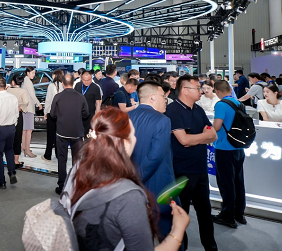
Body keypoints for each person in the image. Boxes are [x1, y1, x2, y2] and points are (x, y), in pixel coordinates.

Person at [64, 107, 190, 251]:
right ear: (124, 143)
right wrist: (178, 230)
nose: (135, 139)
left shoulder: (78, 171)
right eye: (133, 135)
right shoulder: (128, 196)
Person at [165, 75, 218, 251]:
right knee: (181, 215)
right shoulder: (173, 110)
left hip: (200, 169)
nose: (201, 91)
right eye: (197, 88)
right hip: (181, 171)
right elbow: (184, 140)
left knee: (205, 213)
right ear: (185, 90)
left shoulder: (198, 109)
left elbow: (213, 135)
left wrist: (194, 138)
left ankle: (211, 247)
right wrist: (202, 137)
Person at [128, 81, 176, 240]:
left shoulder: (126, 117)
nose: (166, 100)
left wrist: (133, 180)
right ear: (152, 98)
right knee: (169, 235)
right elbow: (155, 156)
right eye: (163, 96)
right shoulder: (162, 120)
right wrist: (139, 178)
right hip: (159, 187)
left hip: (131, 187)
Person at [211, 80, 247, 229]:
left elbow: (217, 126)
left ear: (217, 91)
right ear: (231, 89)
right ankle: (239, 213)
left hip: (224, 148)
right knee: (238, 181)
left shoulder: (221, 104)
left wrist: (208, 130)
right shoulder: (239, 104)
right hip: (238, 147)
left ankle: (227, 216)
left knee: (226, 182)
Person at [50, 74, 89, 195]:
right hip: (77, 133)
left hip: (61, 132)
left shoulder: (58, 97)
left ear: (62, 83)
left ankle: (62, 186)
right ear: (73, 83)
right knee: (77, 160)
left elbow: (52, 114)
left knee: (62, 159)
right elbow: (86, 114)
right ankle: (75, 186)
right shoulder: (80, 97)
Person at [0, 77, 20, 188]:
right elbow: (17, 114)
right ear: (6, 86)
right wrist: (13, 125)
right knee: (9, 150)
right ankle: (12, 171)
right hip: (11, 128)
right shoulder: (13, 97)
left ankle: (0, 181)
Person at [7, 75, 29, 169]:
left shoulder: (8, 90)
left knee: (9, 137)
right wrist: (20, 107)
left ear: (13, 82)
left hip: (8, 114)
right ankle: (16, 161)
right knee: (17, 137)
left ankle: (9, 159)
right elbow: (26, 102)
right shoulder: (22, 91)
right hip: (18, 114)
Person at [42, 69, 64, 162]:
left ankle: (48, 155)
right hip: (61, 114)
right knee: (59, 135)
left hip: (52, 113)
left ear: (55, 75)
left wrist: (45, 112)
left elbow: (48, 100)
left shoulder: (51, 86)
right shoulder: (64, 85)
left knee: (50, 135)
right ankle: (59, 155)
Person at [21, 67, 42, 158]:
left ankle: (24, 147)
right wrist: (38, 104)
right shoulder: (28, 82)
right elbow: (32, 95)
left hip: (26, 108)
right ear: (28, 73)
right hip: (28, 108)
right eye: (32, 73)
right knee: (29, 130)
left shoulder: (25, 80)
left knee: (25, 130)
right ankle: (27, 150)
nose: (34, 75)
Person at [74, 71, 102, 135]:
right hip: (78, 114)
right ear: (81, 79)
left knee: (88, 134)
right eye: (84, 80)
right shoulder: (78, 85)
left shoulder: (96, 87)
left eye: (88, 80)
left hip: (90, 114)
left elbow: (98, 103)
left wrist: (97, 115)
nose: (86, 82)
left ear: (91, 78)